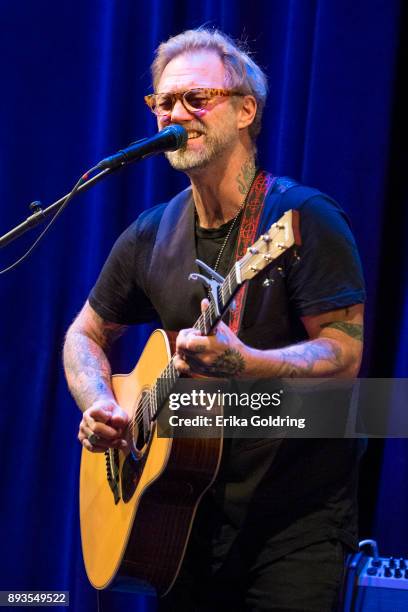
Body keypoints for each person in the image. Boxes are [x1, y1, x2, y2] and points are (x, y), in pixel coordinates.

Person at [63, 28, 365, 611]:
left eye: (197, 98)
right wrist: (100, 401)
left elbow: (345, 354)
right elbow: (85, 333)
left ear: (247, 110)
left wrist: (248, 363)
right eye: (164, 102)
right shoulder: (152, 232)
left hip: (291, 531)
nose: (177, 113)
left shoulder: (300, 219)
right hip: (179, 523)